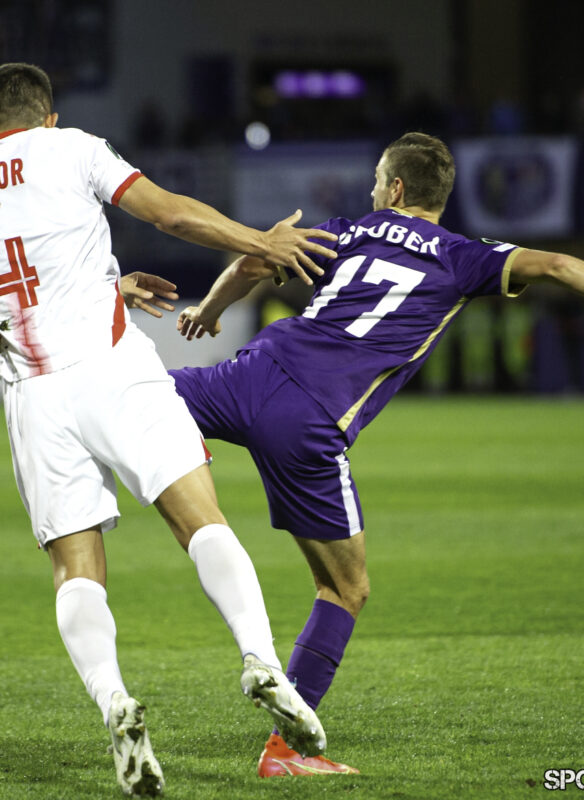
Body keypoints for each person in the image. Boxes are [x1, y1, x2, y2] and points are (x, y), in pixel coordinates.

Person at [0, 62, 340, 797]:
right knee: (198, 517)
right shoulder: (74, 147)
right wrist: (260, 244)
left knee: (74, 567)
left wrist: (101, 284)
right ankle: (261, 660)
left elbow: (0, 322)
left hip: (33, 398)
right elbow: (170, 214)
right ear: (46, 116)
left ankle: (116, 701)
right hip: (114, 369)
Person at [168, 131, 584, 778]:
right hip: (310, 417)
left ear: (392, 190)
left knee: (130, 398)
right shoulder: (464, 256)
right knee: (345, 586)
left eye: (375, 183)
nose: (370, 192)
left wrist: (208, 311)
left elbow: (253, 263)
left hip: (248, 372)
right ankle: (285, 755)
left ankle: (47, 436)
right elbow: (559, 266)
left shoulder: (349, 230)